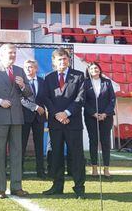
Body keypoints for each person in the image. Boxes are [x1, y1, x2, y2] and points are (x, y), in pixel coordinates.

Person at [0, 43, 31, 199]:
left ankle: (16, 187)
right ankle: (1, 188)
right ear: (1, 54)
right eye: (10, 52)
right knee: (0, 154)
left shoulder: (19, 70)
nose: (13, 55)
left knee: (17, 154)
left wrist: (23, 85)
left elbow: (29, 93)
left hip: (17, 118)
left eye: (15, 53)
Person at [42, 48, 86, 199]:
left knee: (77, 156)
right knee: (56, 155)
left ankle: (79, 187)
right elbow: (46, 98)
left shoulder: (79, 76)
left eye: (65, 59)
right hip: (56, 123)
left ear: (69, 60)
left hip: (73, 123)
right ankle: (57, 186)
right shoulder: (48, 77)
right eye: (59, 59)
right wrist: (57, 114)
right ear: (54, 61)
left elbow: (80, 98)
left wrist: (66, 113)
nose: (62, 62)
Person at [84, 62, 116, 178]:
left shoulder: (107, 82)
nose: (94, 70)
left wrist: (105, 113)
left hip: (106, 117)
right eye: (92, 68)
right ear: (88, 71)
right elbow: (83, 100)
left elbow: (112, 99)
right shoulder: (85, 83)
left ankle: (106, 169)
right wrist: (93, 113)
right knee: (93, 141)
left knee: (105, 142)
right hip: (91, 117)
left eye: (96, 68)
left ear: (100, 69)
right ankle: (94, 169)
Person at [21, 59, 47, 179]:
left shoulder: (42, 82)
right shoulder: (21, 82)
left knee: (39, 145)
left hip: (39, 118)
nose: (28, 69)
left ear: (36, 69)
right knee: (21, 145)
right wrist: (36, 107)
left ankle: (40, 171)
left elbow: (46, 98)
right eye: (26, 67)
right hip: (24, 117)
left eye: (31, 67)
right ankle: (19, 171)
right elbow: (21, 99)